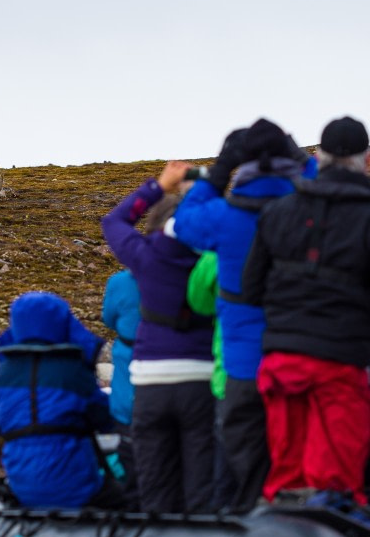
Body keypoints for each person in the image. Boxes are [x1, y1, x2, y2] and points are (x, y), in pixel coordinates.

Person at [242, 115, 370, 502]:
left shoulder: (278, 212)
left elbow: (250, 290)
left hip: (281, 365)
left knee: (284, 480)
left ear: (317, 157)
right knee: (334, 485)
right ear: (367, 161)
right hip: (339, 370)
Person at [169, 118, 314, 510]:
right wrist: (298, 154)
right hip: (299, 361)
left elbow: (183, 222)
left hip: (242, 368)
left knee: (239, 472)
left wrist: (219, 170)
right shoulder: (312, 208)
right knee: (299, 469)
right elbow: (334, 184)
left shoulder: (223, 216)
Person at [101, 161, 216, 513]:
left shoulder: (146, 258)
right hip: (202, 379)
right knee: (201, 482)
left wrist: (160, 185)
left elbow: (114, 222)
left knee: (154, 484)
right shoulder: (217, 259)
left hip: (150, 383)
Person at [0, 291, 124, 509]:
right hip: (77, 487)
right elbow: (105, 419)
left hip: (21, 487)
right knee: (127, 494)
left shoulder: (2, 373)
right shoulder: (74, 372)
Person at [187, 250, 238, 509]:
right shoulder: (286, 238)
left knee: (226, 464)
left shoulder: (218, 250)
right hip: (280, 369)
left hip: (229, 373)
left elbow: (199, 303)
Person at [101, 267, 142, 509]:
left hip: (128, 401)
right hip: (189, 378)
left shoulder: (122, 281)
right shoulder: (196, 268)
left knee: (130, 453)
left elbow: (108, 317)